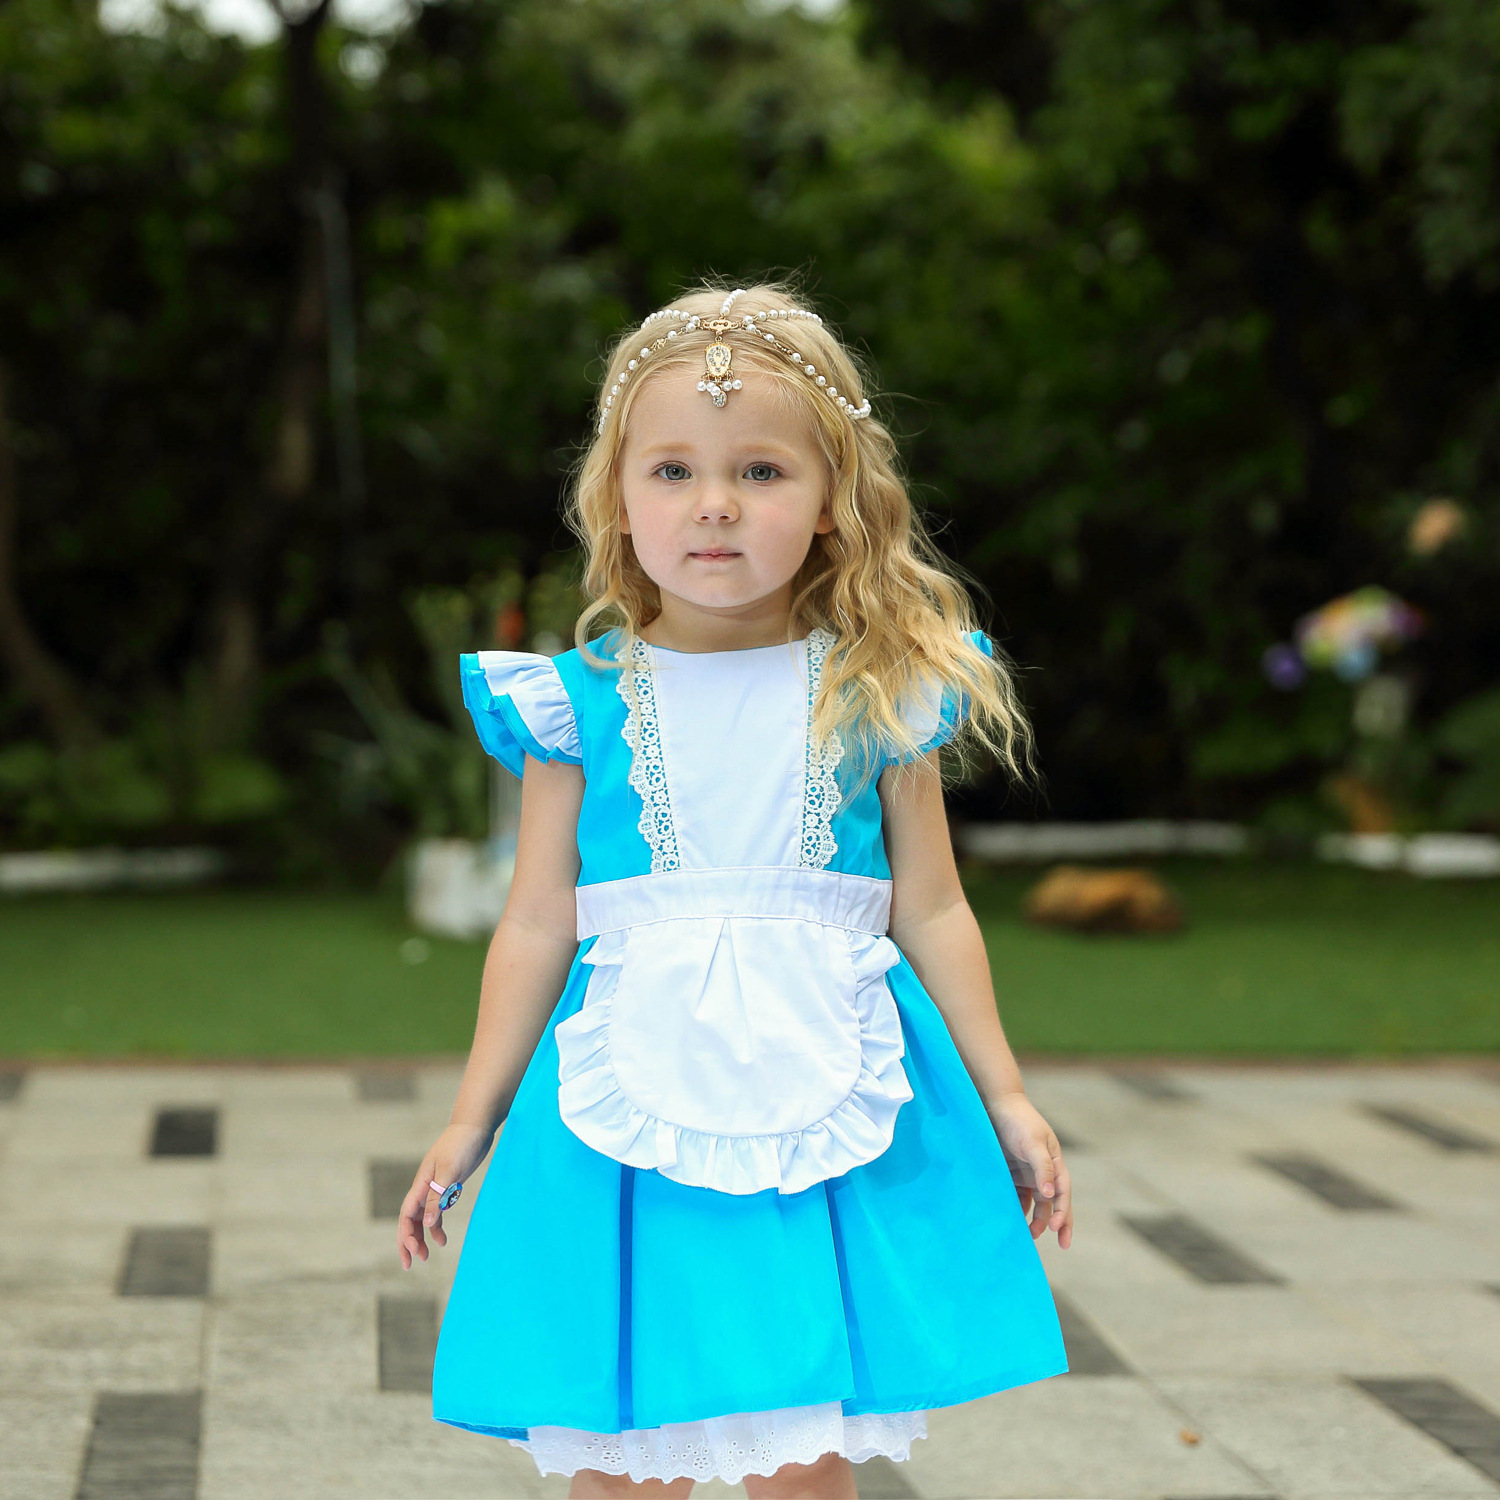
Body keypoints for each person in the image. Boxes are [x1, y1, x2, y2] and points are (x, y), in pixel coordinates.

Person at [396, 281, 1073, 1499]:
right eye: (671, 472)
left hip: (827, 1109)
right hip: (619, 1119)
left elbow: (930, 907)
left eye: (761, 471)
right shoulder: (574, 705)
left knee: (802, 1453)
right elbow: (539, 919)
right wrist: (470, 1117)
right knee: (623, 1455)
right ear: (615, 495)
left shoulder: (880, 693)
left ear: (831, 506)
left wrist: (1008, 1094)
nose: (714, 505)